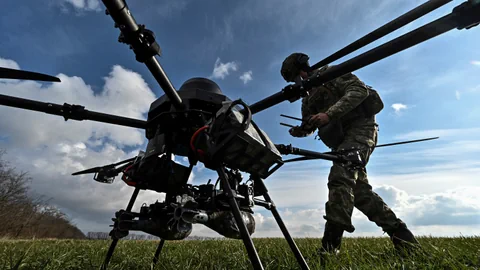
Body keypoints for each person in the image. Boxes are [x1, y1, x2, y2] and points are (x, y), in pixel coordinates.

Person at [280, 52, 419, 256]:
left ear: (303, 70)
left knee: (340, 177)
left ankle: (329, 249)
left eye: (296, 77)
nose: (298, 81)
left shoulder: (329, 74)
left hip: (361, 129)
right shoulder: (307, 97)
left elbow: (359, 91)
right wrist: (300, 130)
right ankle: (406, 243)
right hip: (340, 141)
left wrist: (329, 114)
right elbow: (309, 124)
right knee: (361, 194)